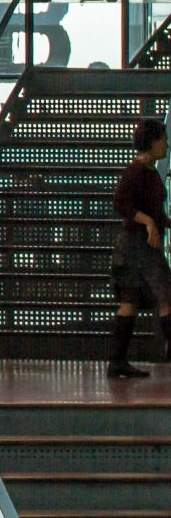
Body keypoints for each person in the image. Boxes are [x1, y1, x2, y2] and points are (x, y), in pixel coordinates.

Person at [107, 118, 171, 378]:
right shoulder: (137, 172)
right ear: (153, 142)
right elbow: (120, 203)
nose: (167, 145)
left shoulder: (149, 172)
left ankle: (117, 361)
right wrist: (148, 223)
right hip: (141, 246)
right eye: (163, 140)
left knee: (129, 300)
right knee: (167, 295)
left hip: (128, 246)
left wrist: (160, 222)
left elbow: (153, 213)